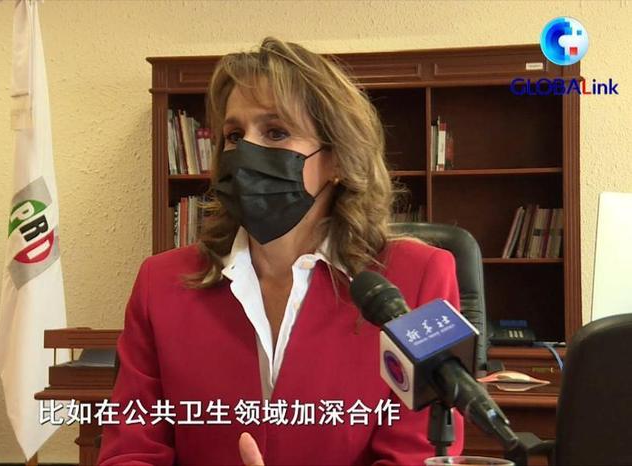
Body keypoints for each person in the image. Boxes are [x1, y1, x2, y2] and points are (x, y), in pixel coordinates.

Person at [98, 37, 464, 465]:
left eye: (276, 132)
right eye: (234, 135)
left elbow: (420, 454)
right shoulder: (160, 283)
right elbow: (132, 450)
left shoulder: (422, 277)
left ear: (338, 159)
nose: (246, 152)